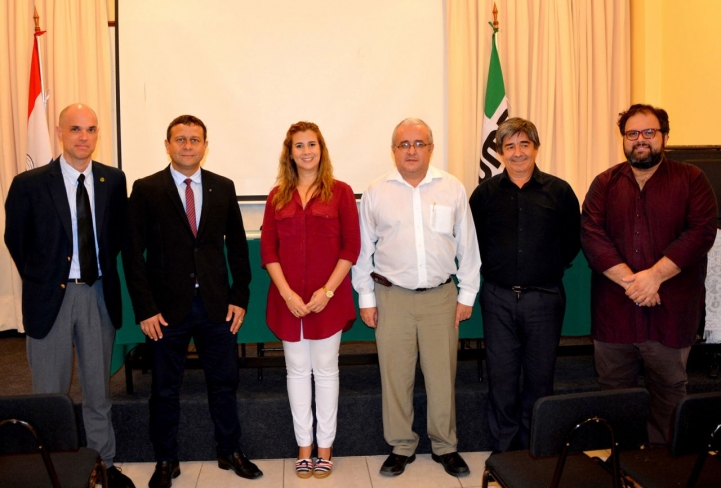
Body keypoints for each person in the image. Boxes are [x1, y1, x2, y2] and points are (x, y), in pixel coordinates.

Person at [122, 115, 262, 487]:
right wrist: (145, 308)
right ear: (167, 145)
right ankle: (166, 459)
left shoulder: (222, 187)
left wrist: (240, 297)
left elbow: (237, 249)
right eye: (180, 139)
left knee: (224, 383)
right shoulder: (147, 188)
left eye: (195, 140)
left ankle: (230, 450)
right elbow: (134, 255)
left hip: (217, 307)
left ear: (205, 145)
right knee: (164, 389)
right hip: (165, 312)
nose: (188, 146)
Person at [4, 104, 135, 488]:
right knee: (50, 394)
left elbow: (115, 238)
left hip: (97, 295)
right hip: (51, 300)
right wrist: (45, 278)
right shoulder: (29, 183)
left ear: (98, 134)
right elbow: (17, 240)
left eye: (91, 129)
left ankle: (104, 467)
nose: (84, 136)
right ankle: (50, 470)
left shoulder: (113, 179)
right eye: (75, 129)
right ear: (60, 132)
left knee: (98, 391)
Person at [581, 104, 717, 446]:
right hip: (615, 314)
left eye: (648, 132)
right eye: (632, 134)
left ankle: (662, 472)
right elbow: (593, 237)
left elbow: (701, 233)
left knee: (670, 396)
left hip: (670, 312)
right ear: (623, 140)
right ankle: (621, 465)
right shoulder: (604, 183)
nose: (640, 140)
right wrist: (636, 282)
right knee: (615, 396)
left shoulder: (692, 180)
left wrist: (655, 277)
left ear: (664, 136)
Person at [351, 118, 480, 478]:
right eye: (403, 144)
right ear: (393, 150)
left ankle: (445, 446)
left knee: (442, 376)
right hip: (391, 297)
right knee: (395, 376)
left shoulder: (451, 187)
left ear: (431, 147)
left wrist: (467, 293)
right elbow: (364, 250)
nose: (411, 150)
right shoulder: (376, 191)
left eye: (419, 143)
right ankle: (401, 446)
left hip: (441, 298)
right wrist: (366, 298)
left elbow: (468, 245)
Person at [469, 117, 581, 452]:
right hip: (498, 298)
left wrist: (541, 268)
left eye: (524, 145)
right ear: (500, 153)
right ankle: (506, 450)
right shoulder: (484, 194)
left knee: (540, 378)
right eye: (509, 146)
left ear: (535, 147)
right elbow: (471, 242)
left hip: (544, 298)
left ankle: (537, 447)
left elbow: (571, 241)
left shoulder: (559, 191)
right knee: (501, 379)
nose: (517, 153)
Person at [260, 121, 360, 479]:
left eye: (312, 145)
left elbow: (351, 248)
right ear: (290, 153)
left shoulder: (342, 192)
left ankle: (325, 448)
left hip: (327, 301)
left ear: (322, 149)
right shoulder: (277, 196)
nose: (306, 151)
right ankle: (304, 447)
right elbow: (268, 250)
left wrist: (327, 291)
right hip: (288, 302)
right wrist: (287, 294)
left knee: (327, 371)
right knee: (297, 371)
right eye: (299, 146)